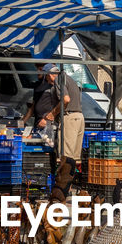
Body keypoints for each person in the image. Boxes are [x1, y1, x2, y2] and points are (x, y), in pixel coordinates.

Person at [23, 63, 83, 199]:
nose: (47, 81)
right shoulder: (69, 78)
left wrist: (51, 114)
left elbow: (66, 99)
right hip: (79, 117)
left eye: (46, 78)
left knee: (65, 158)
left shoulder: (57, 80)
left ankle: (61, 193)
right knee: (72, 159)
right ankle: (68, 189)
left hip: (69, 118)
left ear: (49, 74)